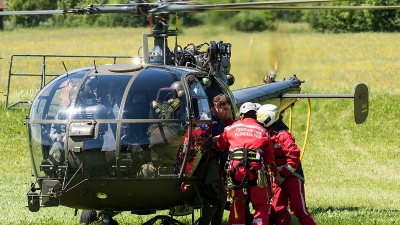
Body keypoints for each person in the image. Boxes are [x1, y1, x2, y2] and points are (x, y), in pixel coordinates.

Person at [215, 102, 275, 225]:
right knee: (261, 204)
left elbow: (219, 146)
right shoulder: (263, 131)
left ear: (241, 115)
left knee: (238, 202)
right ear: (256, 116)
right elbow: (269, 158)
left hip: (236, 171)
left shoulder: (231, 128)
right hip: (256, 171)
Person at [256, 104, 316, 225]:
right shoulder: (268, 135)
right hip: (277, 177)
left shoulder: (283, 135)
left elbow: (294, 156)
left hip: (292, 176)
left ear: (269, 118)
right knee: (278, 209)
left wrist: (283, 175)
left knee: (299, 209)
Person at [198, 93, 234, 225]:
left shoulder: (222, 120)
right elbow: (202, 141)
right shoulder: (205, 118)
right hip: (206, 161)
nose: (227, 114)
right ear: (217, 105)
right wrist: (224, 136)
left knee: (223, 197)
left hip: (218, 162)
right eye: (225, 110)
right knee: (214, 195)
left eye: (228, 111)